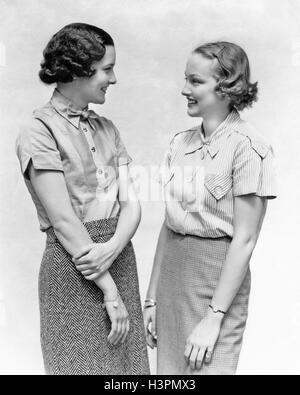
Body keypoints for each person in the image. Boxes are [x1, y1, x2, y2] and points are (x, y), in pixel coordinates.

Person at [15, 23, 149, 375]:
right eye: (107, 68)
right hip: (76, 267)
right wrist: (108, 289)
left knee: (128, 372)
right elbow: (63, 220)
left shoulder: (107, 129)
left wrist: (114, 247)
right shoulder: (38, 131)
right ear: (78, 69)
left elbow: (132, 203)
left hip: (118, 259)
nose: (114, 78)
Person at [143, 41, 277, 375]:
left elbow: (245, 238)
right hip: (172, 276)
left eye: (195, 81)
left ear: (227, 85)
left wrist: (213, 318)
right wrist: (152, 297)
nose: (184, 89)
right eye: (186, 79)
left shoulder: (250, 147)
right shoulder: (179, 143)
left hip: (216, 280)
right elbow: (169, 225)